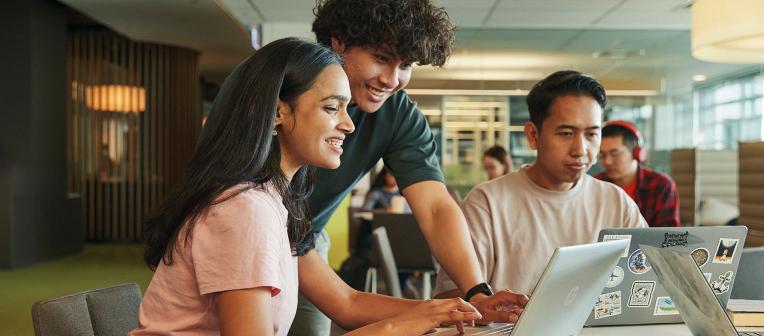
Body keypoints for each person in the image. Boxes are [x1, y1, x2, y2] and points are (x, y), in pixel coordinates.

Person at [132, 38, 498, 336]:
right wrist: (397, 328)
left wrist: (446, 310)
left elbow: (348, 303)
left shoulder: (276, 202)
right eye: (331, 108)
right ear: (279, 113)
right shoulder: (244, 210)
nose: (349, 125)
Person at [293, 1, 528, 334]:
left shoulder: (398, 116)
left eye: (406, 64)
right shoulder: (279, 92)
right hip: (251, 233)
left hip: (305, 241)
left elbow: (435, 207)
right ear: (339, 42)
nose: (392, 80)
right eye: (381, 58)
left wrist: (475, 291)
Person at [434, 70, 648, 298]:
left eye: (591, 135)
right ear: (533, 136)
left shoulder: (616, 202)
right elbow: (450, 298)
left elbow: (647, 281)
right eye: (566, 133)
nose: (580, 150)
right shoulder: (487, 203)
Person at [595, 120, 680, 227]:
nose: (607, 161)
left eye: (614, 154)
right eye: (602, 155)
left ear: (637, 153)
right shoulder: (597, 184)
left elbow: (668, 236)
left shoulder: (661, 185)